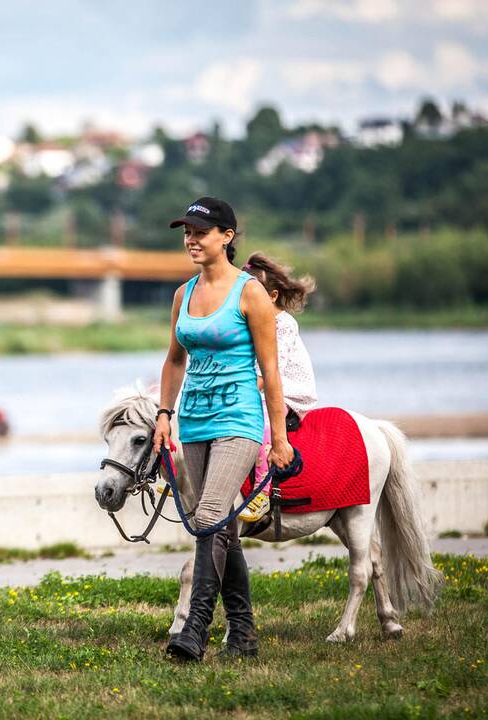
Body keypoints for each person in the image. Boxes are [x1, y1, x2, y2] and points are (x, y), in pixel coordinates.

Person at [155, 197, 294, 662]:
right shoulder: (183, 294)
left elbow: (271, 371)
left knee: (211, 512)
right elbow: (175, 360)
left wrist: (280, 439)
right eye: (187, 233)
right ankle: (244, 631)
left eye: (200, 232)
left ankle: (194, 628)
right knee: (218, 526)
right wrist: (163, 414)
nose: (191, 240)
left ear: (227, 237)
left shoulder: (250, 292)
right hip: (193, 419)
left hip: (239, 418)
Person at [238, 253, 318, 522]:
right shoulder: (249, 323)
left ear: (272, 296)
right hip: (260, 389)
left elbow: (271, 371)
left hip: (290, 393)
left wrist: (239, 391)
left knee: (260, 421)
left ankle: (262, 491)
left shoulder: (283, 324)